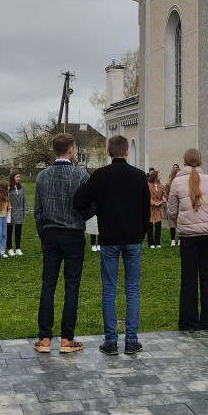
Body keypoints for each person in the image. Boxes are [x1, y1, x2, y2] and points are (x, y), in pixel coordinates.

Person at [73, 134, 149, 355]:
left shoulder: (100, 176)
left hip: (109, 238)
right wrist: (141, 232)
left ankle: (111, 341)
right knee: (132, 289)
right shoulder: (138, 176)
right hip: (133, 237)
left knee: (109, 288)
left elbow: (79, 200)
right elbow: (145, 211)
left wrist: (98, 209)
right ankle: (132, 340)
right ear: (126, 152)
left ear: (108, 152)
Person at [32, 133, 90, 354]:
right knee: (71, 285)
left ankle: (45, 338)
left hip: (51, 233)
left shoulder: (42, 177)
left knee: (48, 284)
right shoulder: (80, 175)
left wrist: (42, 234)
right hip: (73, 234)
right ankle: (67, 339)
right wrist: (79, 218)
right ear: (72, 150)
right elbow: (91, 204)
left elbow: (38, 211)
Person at [166, 148, 208, 331]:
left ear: (184, 161)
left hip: (189, 236)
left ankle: (189, 322)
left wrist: (182, 222)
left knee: (188, 278)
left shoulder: (176, 182)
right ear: (200, 161)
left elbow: (172, 210)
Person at [7, 169, 27, 256]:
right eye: (17, 177)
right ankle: (10, 248)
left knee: (19, 230)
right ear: (13, 178)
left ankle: (18, 248)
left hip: (19, 212)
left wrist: (25, 210)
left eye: (19, 177)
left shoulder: (22, 187)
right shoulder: (9, 188)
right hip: (11, 211)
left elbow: (24, 199)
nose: (18, 178)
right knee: (9, 231)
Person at [147, 170, 167, 248]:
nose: (160, 177)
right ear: (155, 177)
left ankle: (157, 242)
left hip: (158, 208)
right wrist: (152, 202)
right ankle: (151, 243)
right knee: (150, 226)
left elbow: (165, 195)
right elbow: (146, 196)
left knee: (158, 225)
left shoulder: (162, 186)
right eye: (159, 175)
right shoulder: (148, 185)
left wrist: (161, 201)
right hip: (151, 208)